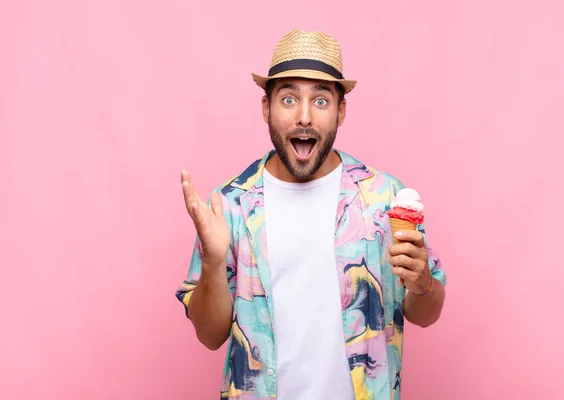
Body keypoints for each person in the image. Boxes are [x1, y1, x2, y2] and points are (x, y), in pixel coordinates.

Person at [175, 29, 447, 400]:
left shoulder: (384, 198)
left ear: (341, 111)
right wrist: (212, 262)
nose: (304, 117)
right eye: (288, 99)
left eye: (320, 101)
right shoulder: (231, 205)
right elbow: (209, 336)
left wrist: (421, 284)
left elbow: (427, 313)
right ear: (266, 107)